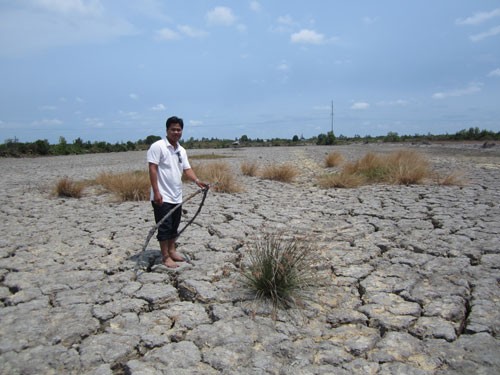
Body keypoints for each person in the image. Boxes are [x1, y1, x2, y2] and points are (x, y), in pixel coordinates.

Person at [147, 116, 207, 268]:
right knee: (164, 227)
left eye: (178, 129)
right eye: (173, 129)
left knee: (174, 225)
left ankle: (172, 250)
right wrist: (156, 191)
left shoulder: (181, 150)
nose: (176, 132)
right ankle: (165, 256)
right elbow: (152, 169)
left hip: (176, 195)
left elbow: (187, 169)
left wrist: (197, 181)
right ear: (167, 130)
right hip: (162, 195)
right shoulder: (158, 146)